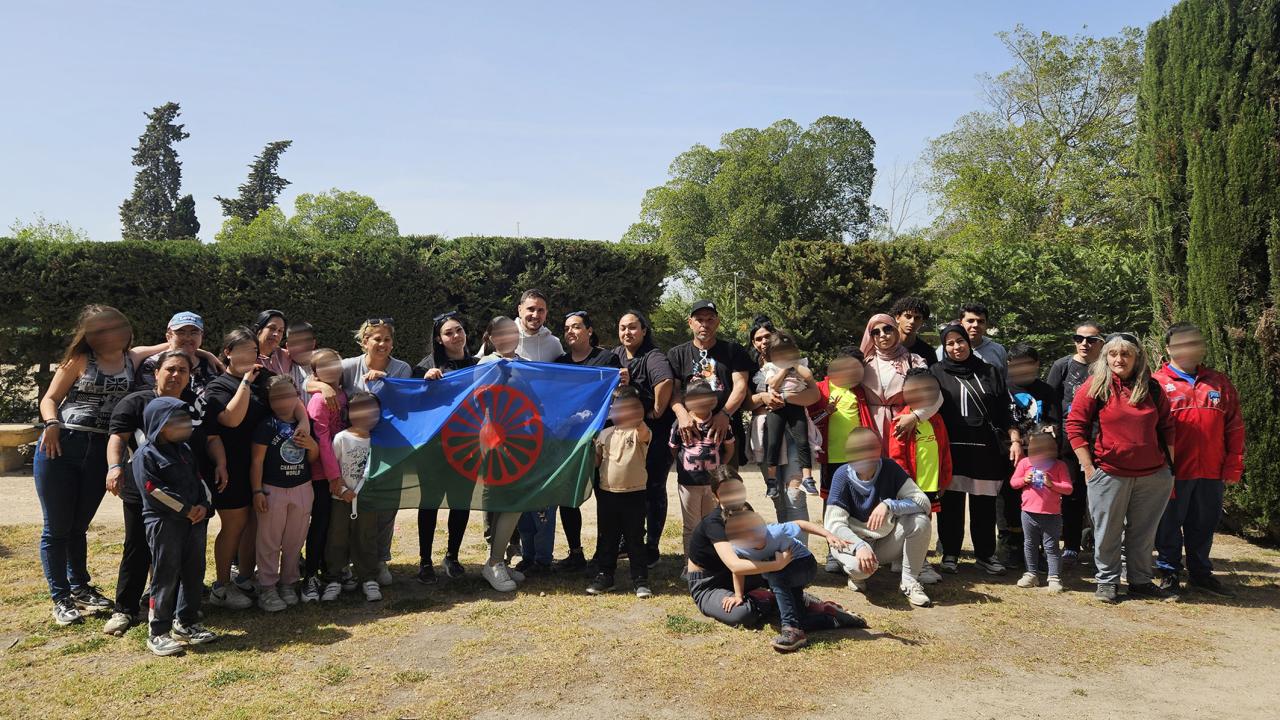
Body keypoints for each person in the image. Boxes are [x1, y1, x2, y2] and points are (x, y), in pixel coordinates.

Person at [36, 305, 148, 625]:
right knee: (56, 528)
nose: (111, 333)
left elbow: (175, 344)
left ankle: (80, 587)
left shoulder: (132, 358)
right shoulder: (79, 360)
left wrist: (211, 358)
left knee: (78, 526)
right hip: (62, 444)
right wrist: (51, 423)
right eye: (102, 329)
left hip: (101, 449)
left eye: (116, 326)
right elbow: (50, 398)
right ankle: (61, 598)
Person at [103, 350, 227, 636]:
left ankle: (182, 612)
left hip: (189, 489)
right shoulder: (135, 401)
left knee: (186, 555)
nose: (176, 375)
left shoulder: (195, 404)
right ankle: (125, 608)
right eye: (170, 369)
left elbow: (211, 437)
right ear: (156, 372)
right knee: (138, 548)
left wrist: (220, 464)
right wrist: (114, 467)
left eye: (183, 370)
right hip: (147, 492)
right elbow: (118, 437)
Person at [203, 327, 311, 610]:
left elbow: (290, 395)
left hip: (265, 468)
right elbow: (231, 420)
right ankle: (221, 586)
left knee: (254, 524)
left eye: (254, 349)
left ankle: (245, 578)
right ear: (228, 352)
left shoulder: (264, 377)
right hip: (232, 466)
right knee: (235, 525)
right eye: (246, 349)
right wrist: (245, 383)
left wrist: (303, 422)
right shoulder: (218, 386)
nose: (253, 354)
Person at [1066, 333, 1176, 604]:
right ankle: (1107, 581)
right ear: (1105, 357)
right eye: (1113, 354)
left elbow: (1167, 427)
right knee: (1107, 532)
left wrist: (1169, 468)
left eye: (1126, 354)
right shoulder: (1096, 386)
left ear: (1137, 358)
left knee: (1144, 533)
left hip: (1152, 475)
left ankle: (1140, 581)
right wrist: (1088, 467)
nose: (1119, 359)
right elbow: (1075, 426)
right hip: (1108, 472)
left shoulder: (1152, 388)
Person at [685, 471, 865, 631]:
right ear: (716, 496)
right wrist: (777, 564)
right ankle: (781, 600)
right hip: (710, 583)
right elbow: (735, 565)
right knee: (743, 614)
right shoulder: (714, 523)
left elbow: (776, 535)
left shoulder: (744, 511)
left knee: (779, 577)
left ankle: (791, 601)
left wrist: (827, 535)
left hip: (743, 574)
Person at [1152, 323, 1245, 598]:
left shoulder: (1219, 382)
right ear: (1168, 348)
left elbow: (1234, 426)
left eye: (1194, 342)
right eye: (1181, 343)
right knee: (1168, 524)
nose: (1188, 348)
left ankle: (1200, 574)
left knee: (1203, 524)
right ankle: (1169, 573)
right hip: (1173, 471)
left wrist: (1233, 463)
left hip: (1211, 470)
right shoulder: (1156, 383)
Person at [932, 324, 1023, 576]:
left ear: (968, 342)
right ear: (944, 347)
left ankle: (985, 554)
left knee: (984, 504)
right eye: (950, 343)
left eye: (960, 341)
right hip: (951, 449)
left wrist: (1015, 438)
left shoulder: (989, 371)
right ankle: (950, 553)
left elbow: (1005, 408)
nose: (956, 347)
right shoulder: (936, 372)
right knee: (950, 503)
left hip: (986, 449)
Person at [131, 397, 218, 656]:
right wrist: (185, 509)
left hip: (195, 522)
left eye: (186, 419)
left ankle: (186, 622)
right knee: (165, 574)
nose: (186, 425)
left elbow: (199, 480)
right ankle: (158, 631)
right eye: (177, 420)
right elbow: (153, 490)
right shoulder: (146, 455)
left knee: (194, 571)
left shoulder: (185, 450)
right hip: (165, 523)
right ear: (159, 424)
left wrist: (203, 506)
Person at [333, 318, 412, 586]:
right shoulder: (347, 367)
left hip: (389, 447)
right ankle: (346, 562)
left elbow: (405, 405)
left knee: (386, 505)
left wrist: (387, 382)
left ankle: (380, 559)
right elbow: (315, 378)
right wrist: (321, 386)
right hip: (354, 448)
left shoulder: (402, 368)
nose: (382, 344)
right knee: (350, 504)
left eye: (387, 339)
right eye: (377, 339)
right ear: (364, 341)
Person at [825, 428, 934, 607]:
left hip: (884, 541)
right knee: (860, 569)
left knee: (920, 521)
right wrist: (859, 546)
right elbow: (834, 525)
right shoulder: (842, 475)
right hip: (852, 544)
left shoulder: (890, 468)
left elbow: (923, 502)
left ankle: (909, 582)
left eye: (870, 449)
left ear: (878, 450)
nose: (864, 455)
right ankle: (855, 576)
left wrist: (889, 505)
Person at [552, 311, 623, 572]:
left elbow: (618, 395)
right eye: (566, 328)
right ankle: (575, 553)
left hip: (601, 437)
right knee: (567, 497)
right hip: (570, 440)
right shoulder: (560, 363)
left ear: (589, 331)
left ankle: (604, 553)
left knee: (606, 496)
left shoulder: (607, 359)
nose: (570, 331)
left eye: (576, 327)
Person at [724, 509, 852, 652]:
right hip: (783, 574)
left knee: (775, 577)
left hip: (804, 565)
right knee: (800, 620)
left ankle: (791, 630)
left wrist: (828, 535)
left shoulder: (776, 532)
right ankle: (834, 617)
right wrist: (738, 595)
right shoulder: (738, 548)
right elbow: (738, 569)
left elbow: (801, 524)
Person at [414, 311, 478, 582]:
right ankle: (425, 561)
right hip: (434, 448)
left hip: (468, 446)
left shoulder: (479, 365)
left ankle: (452, 556)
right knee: (429, 502)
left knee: (460, 502)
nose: (455, 336)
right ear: (439, 339)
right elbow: (412, 403)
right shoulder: (424, 367)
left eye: (459, 330)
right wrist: (423, 383)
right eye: (448, 333)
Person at [251, 375, 320, 612]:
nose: (283, 401)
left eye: (288, 395)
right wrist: (257, 490)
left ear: (297, 396)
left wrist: (312, 446)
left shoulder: (304, 423)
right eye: (276, 397)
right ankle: (267, 586)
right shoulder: (267, 425)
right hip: (273, 490)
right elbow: (257, 461)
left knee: (294, 540)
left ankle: (288, 582)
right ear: (269, 400)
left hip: (302, 488)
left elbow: (312, 458)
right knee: (269, 540)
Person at [612, 310, 675, 568]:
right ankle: (627, 540)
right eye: (622, 327)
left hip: (656, 436)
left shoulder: (653, 356)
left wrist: (656, 411)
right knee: (628, 489)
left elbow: (665, 381)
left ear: (644, 330)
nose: (627, 332)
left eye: (633, 327)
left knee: (653, 489)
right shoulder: (616, 355)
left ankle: (652, 546)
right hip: (626, 436)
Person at [808, 347, 873, 573]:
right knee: (832, 504)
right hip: (832, 458)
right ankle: (833, 552)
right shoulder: (821, 389)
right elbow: (810, 421)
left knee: (859, 504)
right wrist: (827, 411)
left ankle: (857, 550)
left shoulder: (860, 391)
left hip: (859, 458)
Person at [667, 299, 753, 470]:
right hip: (690, 432)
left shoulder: (733, 351)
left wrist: (724, 414)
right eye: (699, 319)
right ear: (690, 323)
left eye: (710, 319)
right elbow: (673, 392)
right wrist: (682, 414)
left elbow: (740, 386)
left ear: (718, 322)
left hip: (725, 429)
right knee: (692, 484)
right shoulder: (677, 354)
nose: (704, 324)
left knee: (727, 483)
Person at [585, 386, 653, 598]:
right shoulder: (604, 434)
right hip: (608, 494)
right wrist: (588, 448)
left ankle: (640, 579)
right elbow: (597, 462)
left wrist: (636, 414)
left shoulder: (640, 432)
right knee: (608, 537)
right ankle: (605, 575)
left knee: (635, 538)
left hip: (635, 494)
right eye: (615, 409)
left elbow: (643, 430)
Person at [1046, 321, 1105, 565]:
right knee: (1072, 494)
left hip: (1100, 440)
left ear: (1101, 343)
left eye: (1091, 339)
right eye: (1079, 338)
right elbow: (1049, 400)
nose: (1084, 343)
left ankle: (1100, 546)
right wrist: (1052, 433)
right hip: (1069, 440)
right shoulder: (1062, 366)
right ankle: (1070, 545)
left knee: (1101, 496)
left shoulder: (1106, 367)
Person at [885, 368, 950, 585]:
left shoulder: (937, 419)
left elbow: (944, 451)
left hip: (931, 484)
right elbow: (896, 457)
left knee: (925, 521)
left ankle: (913, 559)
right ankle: (914, 564)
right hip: (911, 486)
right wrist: (905, 484)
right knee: (909, 522)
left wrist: (944, 479)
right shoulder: (900, 421)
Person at [1000, 342, 1060, 568]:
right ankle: (1012, 547)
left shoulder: (1046, 391)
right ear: (1009, 364)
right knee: (1008, 503)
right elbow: (999, 420)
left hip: (1040, 458)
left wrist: (1048, 432)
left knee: (1039, 503)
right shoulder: (1002, 389)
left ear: (1037, 365)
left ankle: (1039, 550)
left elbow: (1054, 422)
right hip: (1009, 456)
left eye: (1028, 364)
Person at [324, 392, 384, 602]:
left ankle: (368, 578)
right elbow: (332, 470)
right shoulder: (341, 438)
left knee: (366, 538)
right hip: (340, 500)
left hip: (367, 502)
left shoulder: (379, 441)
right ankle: (334, 577)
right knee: (337, 537)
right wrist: (342, 491)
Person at [669, 379, 735, 558]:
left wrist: (718, 469)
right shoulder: (680, 424)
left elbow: (729, 449)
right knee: (691, 526)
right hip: (688, 483)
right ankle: (690, 564)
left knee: (711, 524)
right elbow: (674, 449)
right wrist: (685, 466)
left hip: (713, 485)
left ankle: (710, 561)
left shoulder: (721, 423)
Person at [301, 348, 346, 602]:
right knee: (319, 525)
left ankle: (331, 570)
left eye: (334, 363)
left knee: (333, 525)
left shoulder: (342, 394)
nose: (331, 369)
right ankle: (310, 575)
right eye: (323, 366)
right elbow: (323, 441)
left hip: (341, 472)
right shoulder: (319, 400)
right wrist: (333, 476)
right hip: (322, 475)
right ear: (315, 374)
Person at [754, 331, 816, 500]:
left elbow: (808, 376)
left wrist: (793, 364)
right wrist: (784, 369)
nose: (783, 356)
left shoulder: (799, 364)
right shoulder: (770, 367)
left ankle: (808, 478)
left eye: (786, 352)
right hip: (777, 408)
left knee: (802, 441)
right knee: (773, 442)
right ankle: (772, 481)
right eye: (778, 353)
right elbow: (773, 384)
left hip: (796, 406)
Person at [859, 313, 937, 448]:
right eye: (876, 332)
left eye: (887, 329)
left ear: (895, 330)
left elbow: (935, 396)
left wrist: (915, 416)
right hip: (870, 429)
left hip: (903, 429)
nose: (882, 335)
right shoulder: (864, 364)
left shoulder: (914, 361)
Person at [1009, 431, 1073, 593]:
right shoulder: (1025, 463)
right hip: (1028, 513)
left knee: (1051, 546)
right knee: (1029, 544)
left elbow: (1068, 488)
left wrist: (1051, 484)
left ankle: (1054, 577)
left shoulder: (1059, 465)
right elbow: (1013, 483)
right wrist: (1024, 480)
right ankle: (1031, 573)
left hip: (1052, 515)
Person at [133, 311, 223, 395]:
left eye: (194, 333)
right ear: (169, 337)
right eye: (181, 333)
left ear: (201, 336)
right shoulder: (152, 365)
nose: (188, 338)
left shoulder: (210, 365)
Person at [935, 303, 1009, 377]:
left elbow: (1005, 380)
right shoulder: (944, 351)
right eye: (970, 321)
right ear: (961, 323)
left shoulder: (998, 350)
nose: (975, 325)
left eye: (980, 321)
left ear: (986, 324)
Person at [513, 289, 564, 362]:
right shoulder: (503, 338)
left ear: (546, 313)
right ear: (520, 310)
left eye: (540, 310)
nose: (535, 315)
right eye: (530, 309)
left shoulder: (554, 345)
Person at [890, 296, 937, 368]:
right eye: (908, 316)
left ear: (922, 322)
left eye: (917, 318)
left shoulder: (928, 352)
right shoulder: (886, 347)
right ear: (897, 318)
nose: (912, 321)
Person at [252, 309, 293, 376]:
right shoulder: (247, 357)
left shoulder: (286, 356)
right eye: (272, 328)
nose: (276, 334)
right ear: (258, 329)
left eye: (280, 331)